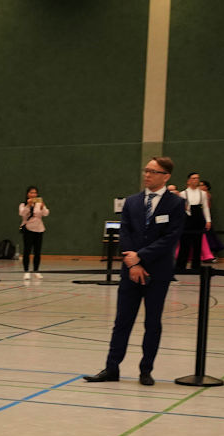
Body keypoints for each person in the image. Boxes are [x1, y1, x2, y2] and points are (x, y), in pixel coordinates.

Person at [84, 157, 186, 386]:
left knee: (152, 322)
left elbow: (171, 238)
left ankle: (146, 370)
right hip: (130, 271)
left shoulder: (176, 204)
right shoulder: (132, 202)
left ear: (166, 176)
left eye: (153, 171)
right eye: (146, 170)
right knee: (122, 321)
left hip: (158, 272)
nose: (147, 175)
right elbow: (125, 233)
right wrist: (133, 263)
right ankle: (111, 368)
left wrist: (141, 257)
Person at [174, 172, 211, 274]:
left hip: (198, 220)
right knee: (184, 245)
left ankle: (196, 267)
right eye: (193, 178)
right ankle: (180, 267)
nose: (196, 180)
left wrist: (208, 220)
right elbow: (180, 210)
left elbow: (205, 208)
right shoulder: (183, 194)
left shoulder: (203, 194)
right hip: (187, 221)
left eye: (197, 178)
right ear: (188, 181)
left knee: (197, 245)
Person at [18, 186, 49, 278]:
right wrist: (28, 205)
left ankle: (36, 270)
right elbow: (22, 213)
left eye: (35, 193)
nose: (33, 194)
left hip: (39, 229)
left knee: (37, 252)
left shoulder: (39, 204)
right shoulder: (23, 204)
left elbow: (46, 213)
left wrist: (42, 207)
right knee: (27, 251)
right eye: (31, 193)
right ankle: (26, 271)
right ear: (28, 194)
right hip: (28, 229)